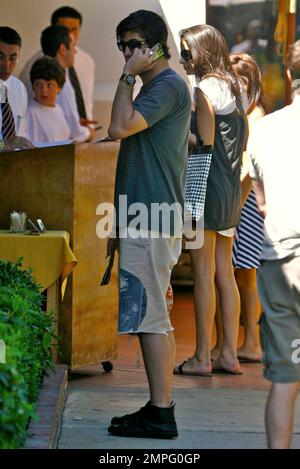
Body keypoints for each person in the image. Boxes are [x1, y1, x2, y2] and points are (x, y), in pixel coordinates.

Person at [106, 10, 191, 439]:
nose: (126, 53)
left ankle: (161, 415)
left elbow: (118, 127)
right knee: (154, 314)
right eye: (121, 45)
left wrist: (125, 77)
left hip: (151, 217)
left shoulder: (166, 85)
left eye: (133, 44)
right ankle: (160, 405)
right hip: (148, 215)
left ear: (156, 46)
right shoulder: (161, 87)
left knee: (149, 317)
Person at [174, 25, 247, 376]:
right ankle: (228, 353)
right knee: (225, 273)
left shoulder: (203, 89)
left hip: (206, 189)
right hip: (231, 189)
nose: (183, 59)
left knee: (203, 273)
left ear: (203, 52)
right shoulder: (235, 85)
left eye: (187, 52)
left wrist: (172, 132)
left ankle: (202, 356)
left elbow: (202, 146)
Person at [249, 40, 300, 449]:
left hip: (278, 258)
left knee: (286, 378)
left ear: (288, 76)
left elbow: (261, 202)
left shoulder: (264, 129)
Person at [231, 53, 266, 363]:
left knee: (245, 273)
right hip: (244, 200)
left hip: (247, 202)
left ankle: (251, 342)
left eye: (241, 81)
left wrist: (235, 205)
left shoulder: (254, 117)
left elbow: (247, 167)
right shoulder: (246, 115)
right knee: (242, 273)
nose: (236, 87)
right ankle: (246, 342)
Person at [19, 5, 95, 122]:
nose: (69, 34)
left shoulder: (87, 61)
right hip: (51, 134)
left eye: (74, 29)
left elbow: (86, 99)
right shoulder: (35, 65)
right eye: (64, 29)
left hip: (84, 132)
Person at [40, 25, 91, 143]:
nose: (75, 51)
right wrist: (88, 132)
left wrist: (76, 122)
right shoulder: (60, 82)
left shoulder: (40, 73)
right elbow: (75, 134)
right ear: (63, 49)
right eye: (73, 46)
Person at [26, 56, 71, 145]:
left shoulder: (58, 109)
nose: (44, 90)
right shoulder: (30, 112)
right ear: (33, 86)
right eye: (39, 84)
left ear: (59, 87)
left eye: (49, 85)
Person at [0, 27, 27, 140]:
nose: (6, 65)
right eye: (0, 57)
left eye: (13, 58)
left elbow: (20, 134)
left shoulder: (19, 88)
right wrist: (3, 145)